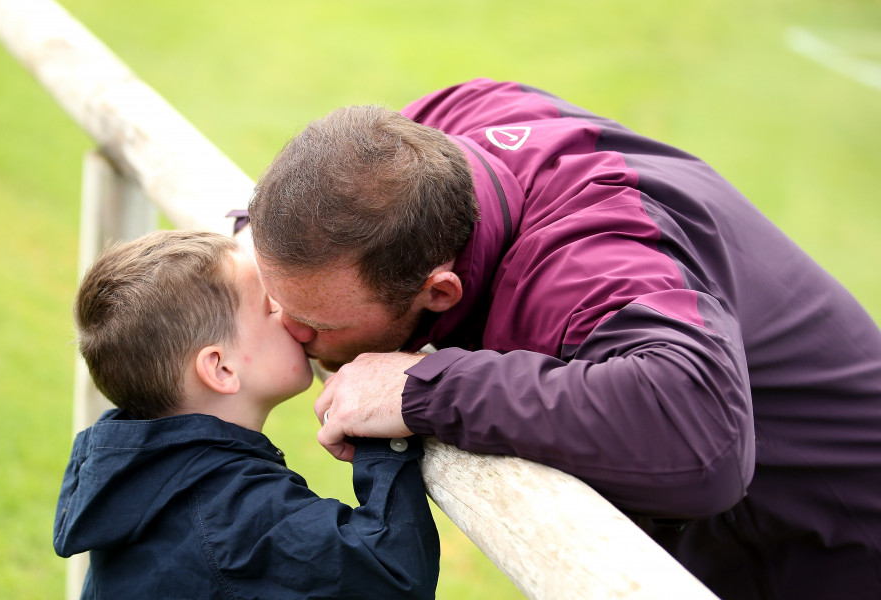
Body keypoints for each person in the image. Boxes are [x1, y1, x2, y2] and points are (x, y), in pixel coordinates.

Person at [241, 78, 881, 599]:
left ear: (440, 293)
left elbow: (703, 440)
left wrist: (420, 386)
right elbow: (339, 185)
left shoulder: (585, 263)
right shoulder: (447, 129)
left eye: (316, 323)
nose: (286, 328)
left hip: (831, 547)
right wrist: (249, 243)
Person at [53, 230, 440, 599]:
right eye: (269, 306)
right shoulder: (233, 516)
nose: (289, 311)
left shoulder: (143, 475)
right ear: (221, 369)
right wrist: (380, 429)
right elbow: (391, 575)